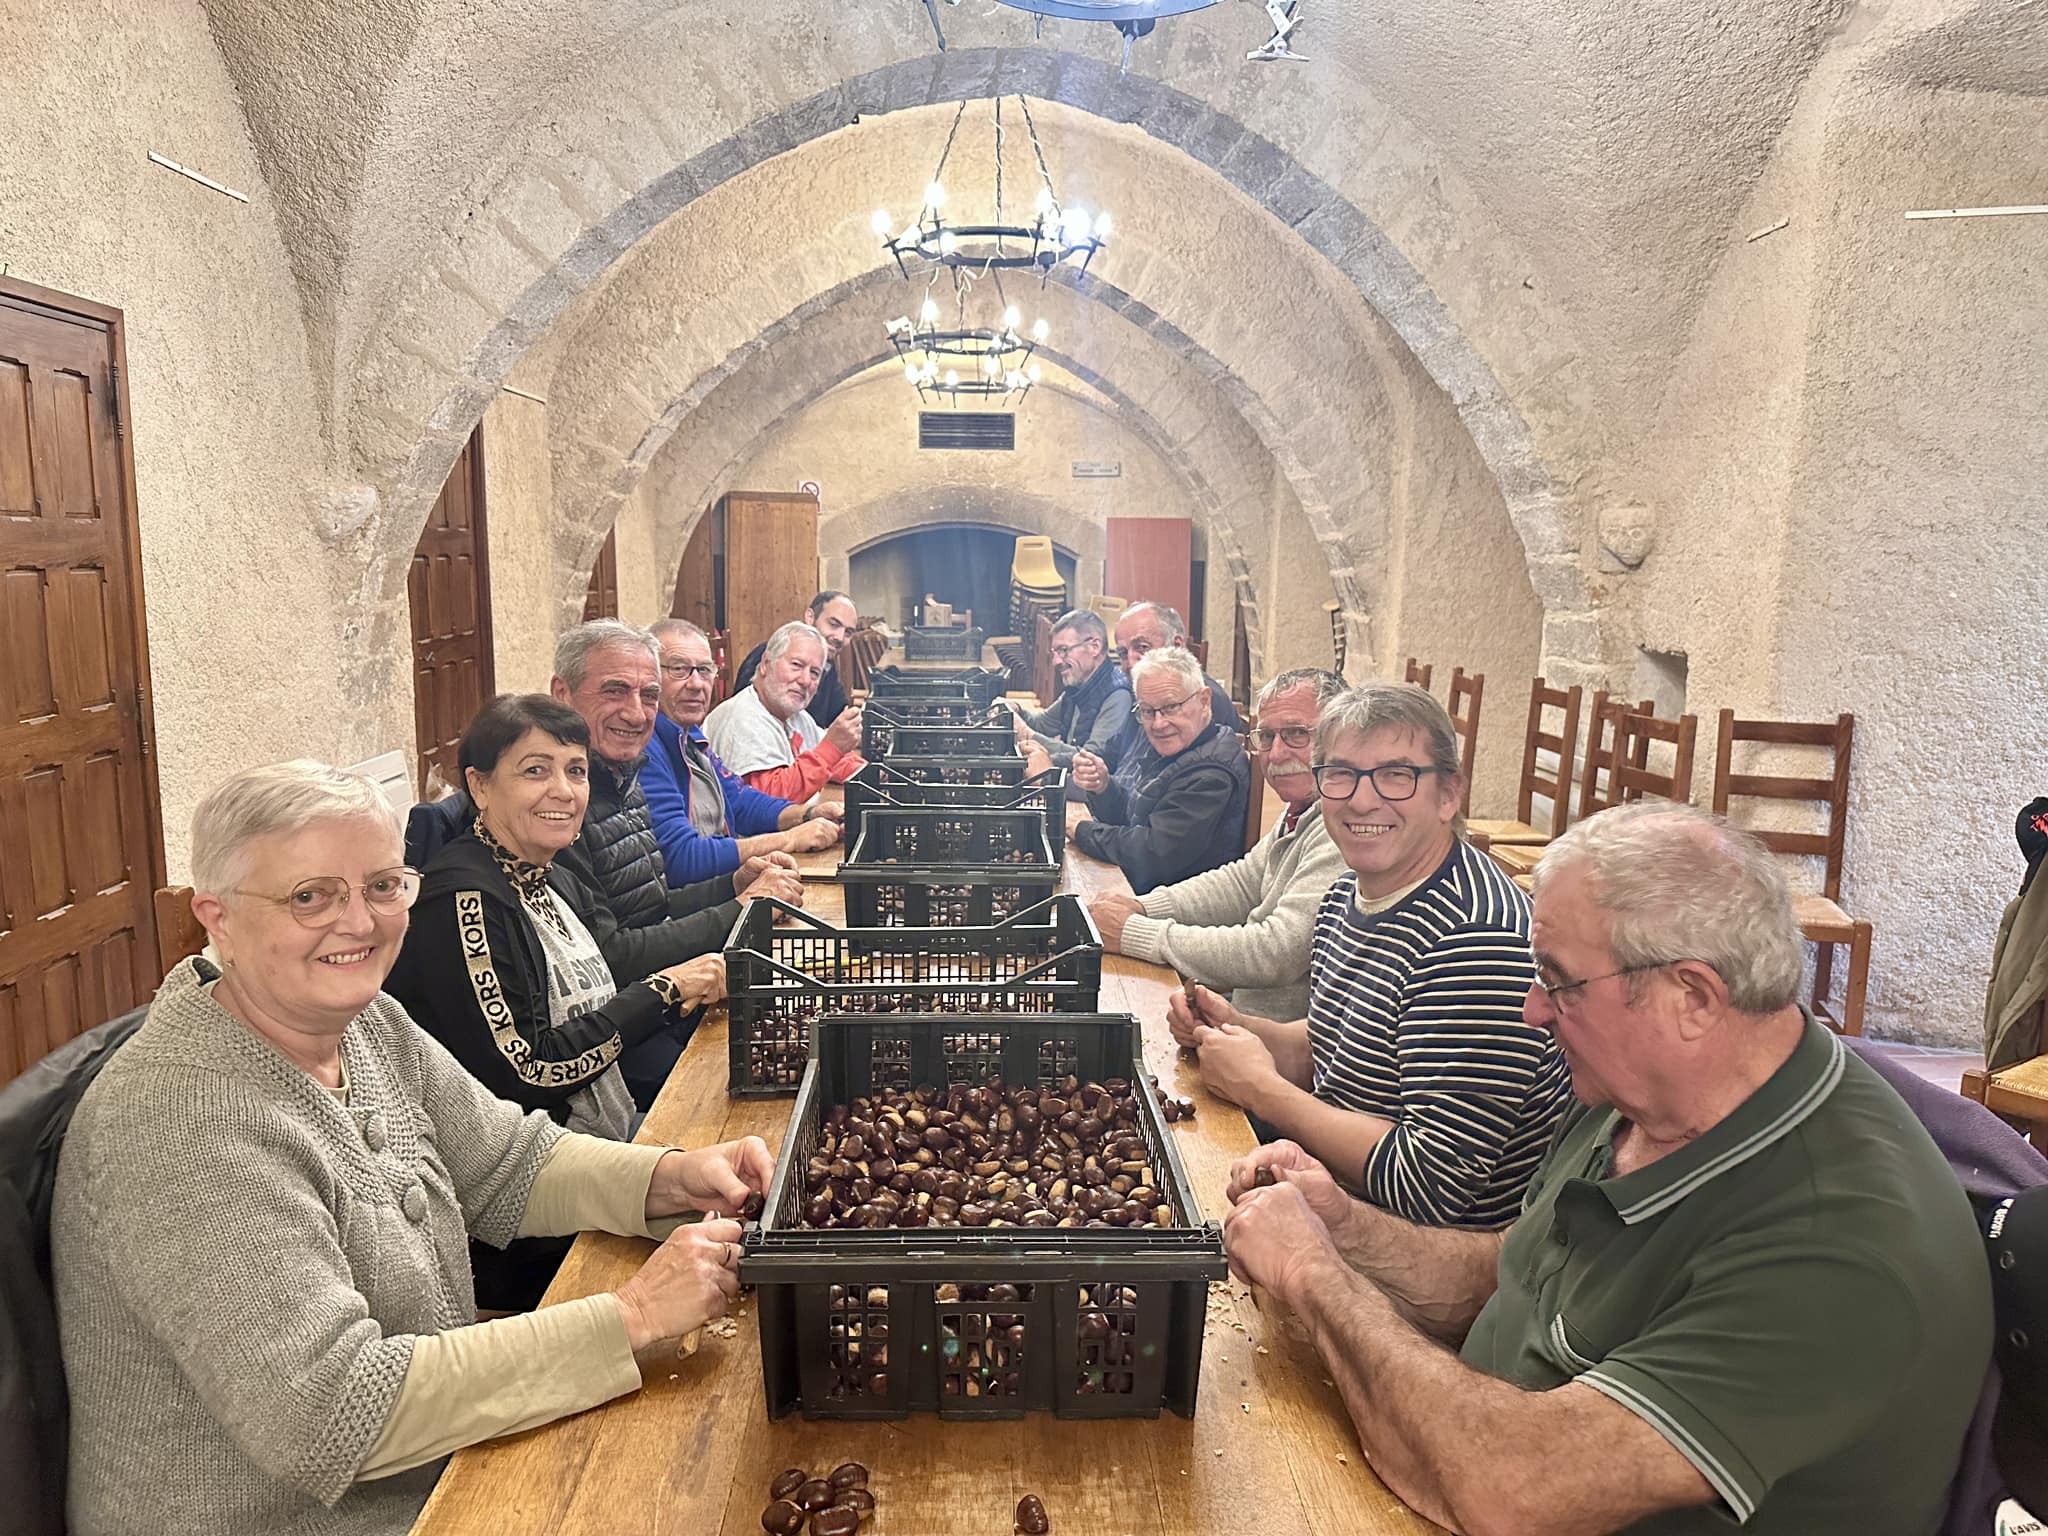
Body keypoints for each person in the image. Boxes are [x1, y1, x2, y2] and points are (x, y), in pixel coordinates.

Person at [1220, 802, 1994, 1536]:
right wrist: (1346, 1229)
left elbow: (1511, 1491)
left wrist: (1316, 1277)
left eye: (1558, 980)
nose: (1531, 1007)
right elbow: (1515, 1274)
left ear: (1691, 997)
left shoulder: (1842, 1249)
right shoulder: (1635, 1090)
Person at [51, 759, 774, 1536]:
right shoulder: (180, 1122)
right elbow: (330, 1412)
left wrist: (673, 1178)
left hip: (441, 1472)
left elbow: (509, 1162)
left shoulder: (366, 1025)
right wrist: (631, 1314)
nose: (359, 922)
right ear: (216, 916)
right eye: (309, 896)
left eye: (383, 885)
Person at [1169, 681, 1570, 1227]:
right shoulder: (1346, 893)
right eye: (1342, 774)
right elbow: (1334, 1050)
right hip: (1331, 1188)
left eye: (1396, 775)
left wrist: (1261, 1090)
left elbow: (1430, 1183)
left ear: (1449, 793)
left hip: (1422, 1253)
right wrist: (1241, 1027)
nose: (1362, 799)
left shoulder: (1475, 938)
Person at [550, 619, 802, 1106]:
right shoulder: (561, 808)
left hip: (662, 1006)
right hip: (623, 1042)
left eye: (648, 694)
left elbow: (652, 902)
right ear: (562, 693)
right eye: (615, 691)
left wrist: (732, 885)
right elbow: (612, 956)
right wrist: (740, 908)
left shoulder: (625, 775)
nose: (637, 712)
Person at [1089, 667, 1347, 1020]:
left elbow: (1276, 951)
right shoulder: (1303, 807)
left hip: (1280, 1052)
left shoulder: (1346, 826)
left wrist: (1135, 932)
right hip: (1245, 1023)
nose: (1276, 754)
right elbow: (1242, 882)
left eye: (1297, 734)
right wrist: (1142, 907)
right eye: (1268, 737)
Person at [642, 618, 843, 886]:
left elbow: (738, 800)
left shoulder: (689, 734)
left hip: (720, 885)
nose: (696, 684)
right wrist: (790, 838)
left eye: (704, 670)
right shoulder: (645, 746)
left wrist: (806, 815)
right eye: (679, 669)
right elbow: (682, 858)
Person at [1071, 647, 1249, 894]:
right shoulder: (1179, 745)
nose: (1158, 724)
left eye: (1171, 707)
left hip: (1177, 913)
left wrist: (1083, 831)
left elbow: (1153, 854)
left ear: (1204, 700)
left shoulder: (1212, 774)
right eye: (1147, 711)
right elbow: (1136, 816)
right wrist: (1104, 787)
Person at [703, 620, 865, 799]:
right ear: (766, 663)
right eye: (796, 665)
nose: (805, 680)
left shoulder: (795, 716)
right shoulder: (744, 718)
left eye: (814, 673)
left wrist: (873, 774)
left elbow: (832, 760)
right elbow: (770, 802)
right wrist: (833, 747)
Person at [1011, 608, 1133, 797]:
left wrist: (1028, 736)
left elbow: (1090, 759)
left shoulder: (1118, 695)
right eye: (1055, 652)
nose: (1056, 661)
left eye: (1064, 650)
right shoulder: (1078, 686)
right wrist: (1017, 711)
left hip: (1092, 801)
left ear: (1094, 646)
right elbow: (1043, 724)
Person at [1111, 600, 1243, 736]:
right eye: (1123, 653)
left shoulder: (1199, 700)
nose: (1131, 663)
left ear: (1176, 646)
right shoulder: (1141, 693)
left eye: (1143, 647)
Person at [732, 588, 859, 728]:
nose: (840, 637)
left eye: (848, 632)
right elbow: (746, 722)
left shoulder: (828, 666)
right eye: (833, 624)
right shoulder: (770, 655)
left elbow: (838, 716)